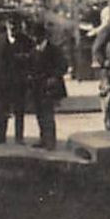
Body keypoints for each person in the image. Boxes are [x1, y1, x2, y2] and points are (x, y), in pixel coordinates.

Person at [0, 14, 29, 145]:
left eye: (14, 24)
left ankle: (19, 137)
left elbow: (31, 59)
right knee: (1, 109)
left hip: (19, 81)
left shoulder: (25, 40)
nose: (12, 26)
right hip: (3, 81)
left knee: (19, 110)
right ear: (6, 25)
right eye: (10, 24)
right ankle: (1, 136)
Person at [27, 19, 65, 150]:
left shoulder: (54, 49)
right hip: (37, 87)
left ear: (42, 36)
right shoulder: (33, 50)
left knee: (48, 114)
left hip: (50, 87)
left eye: (36, 36)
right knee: (39, 114)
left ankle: (50, 141)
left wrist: (54, 77)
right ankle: (43, 139)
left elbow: (63, 66)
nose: (34, 39)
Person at [90, 4, 110, 132]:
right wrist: (104, 61)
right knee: (109, 95)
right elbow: (96, 48)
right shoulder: (107, 30)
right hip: (109, 69)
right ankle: (109, 120)